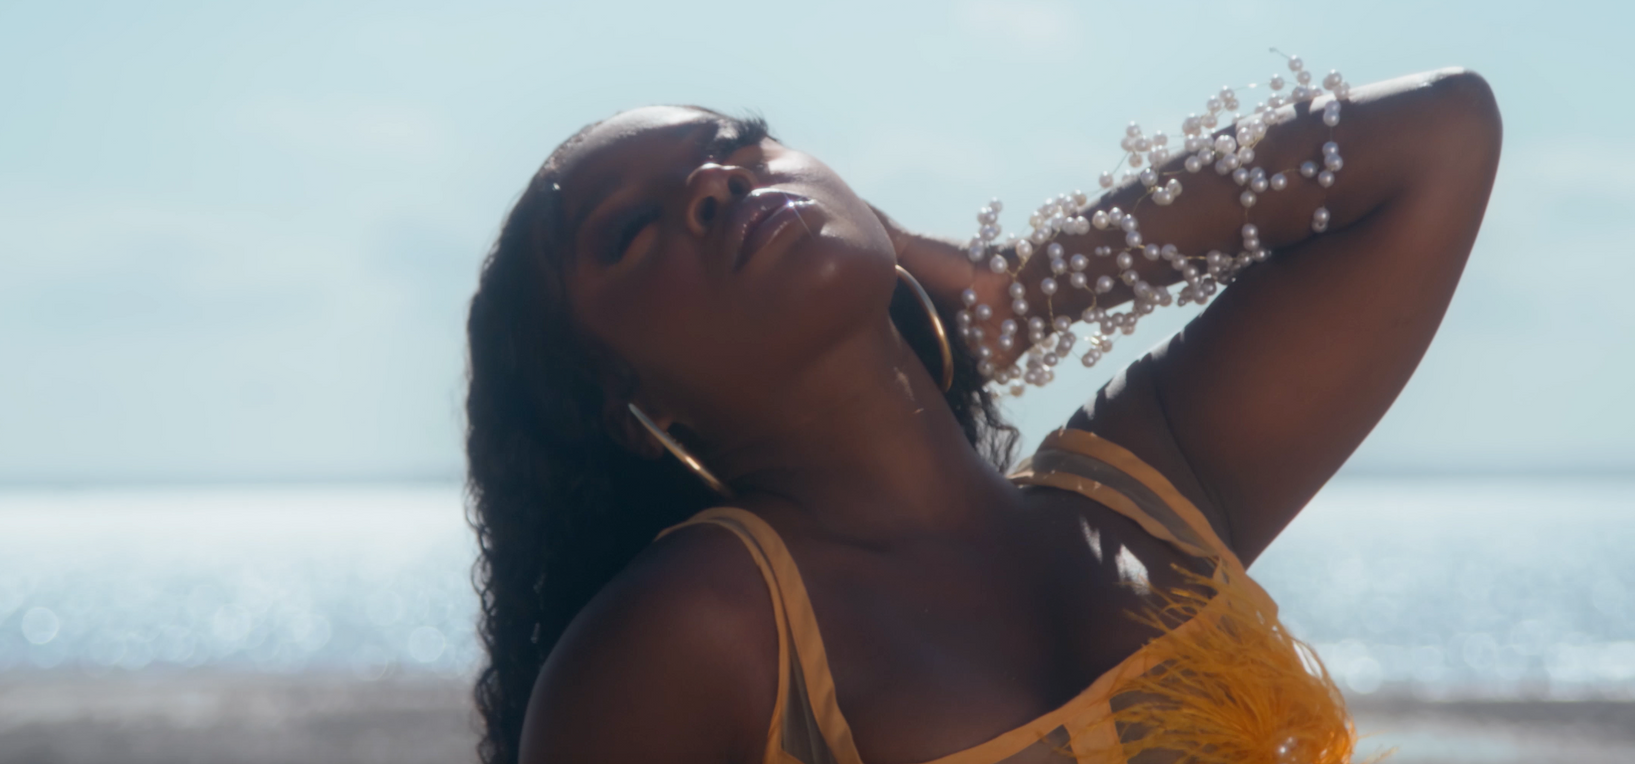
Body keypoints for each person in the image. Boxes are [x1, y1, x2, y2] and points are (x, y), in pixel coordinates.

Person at [464, 65, 1502, 763]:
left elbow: (1442, 136)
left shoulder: (1143, 495)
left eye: (738, 142)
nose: (712, 181)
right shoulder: (691, 638)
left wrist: (1024, 288)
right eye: (630, 229)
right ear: (626, 406)